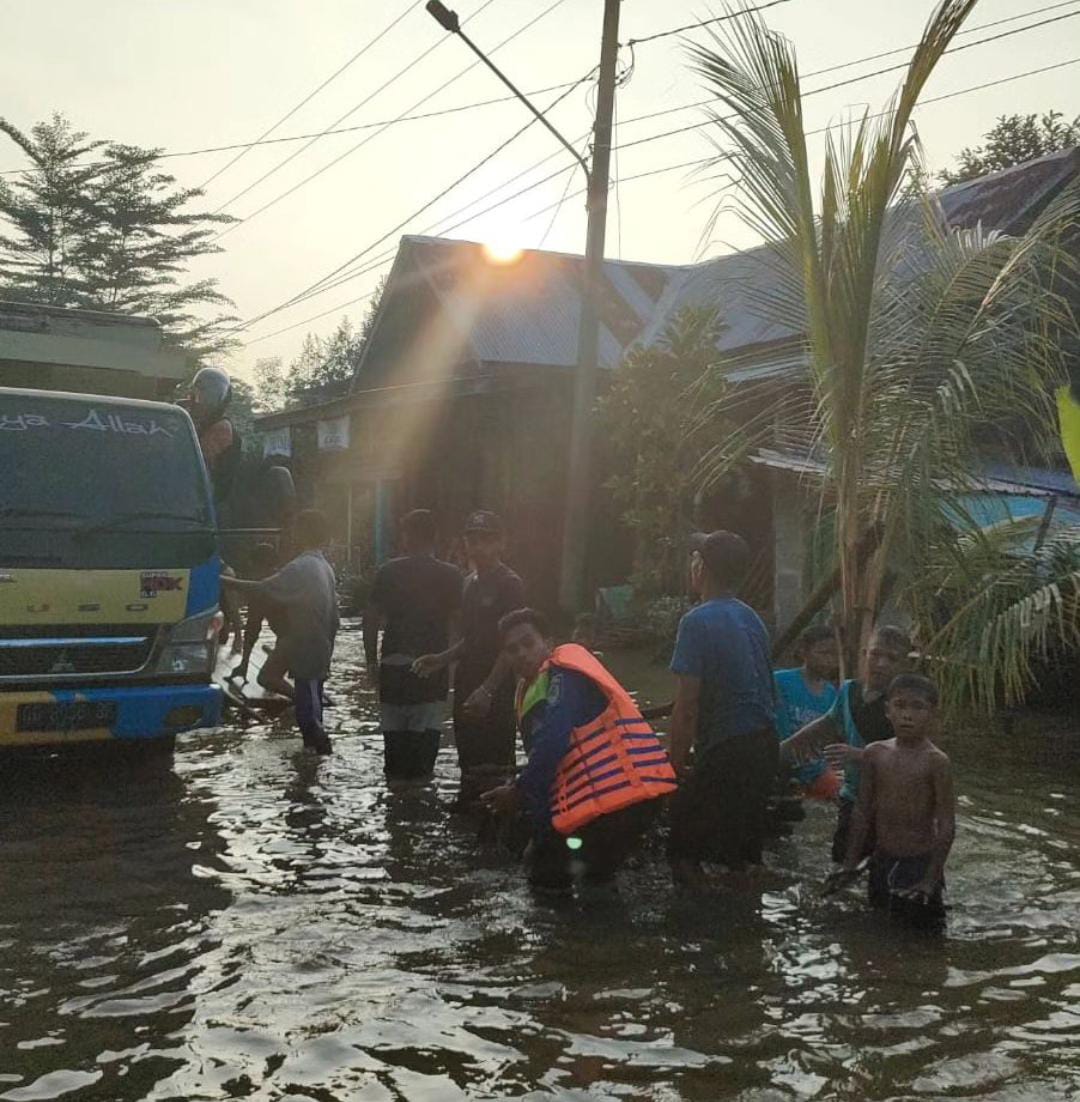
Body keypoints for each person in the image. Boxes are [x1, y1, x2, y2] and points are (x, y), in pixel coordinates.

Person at [480, 608, 677, 893]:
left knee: (547, 879)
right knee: (585, 878)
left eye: (528, 643)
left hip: (615, 801)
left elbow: (553, 743)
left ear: (547, 642)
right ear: (505, 657)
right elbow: (552, 765)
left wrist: (518, 792)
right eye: (512, 650)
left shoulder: (563, 673)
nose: (522, 653)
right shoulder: (533, 687)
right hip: (615, 800)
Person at [667, 531, 778, 886]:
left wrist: (673, 763)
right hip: (765, 743)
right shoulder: (752, 618)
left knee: (682, 851)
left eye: (694, 558)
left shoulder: (695, 622)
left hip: (730, 746)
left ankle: (701, 930)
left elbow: (687, 706)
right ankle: (745, 928)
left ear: (702, 567)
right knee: (742, 856)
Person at [827, 674, 955, 929]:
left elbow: (946, 823)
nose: (907, 715)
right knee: (876, 925)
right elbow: (862, 811)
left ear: (932, 714)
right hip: (882, 860)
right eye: (900, 705)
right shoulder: (875, 753)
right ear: (888, 711)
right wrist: (850, 863)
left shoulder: (936, 762)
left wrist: (931, 878)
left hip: (918, 862)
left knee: (923, 937)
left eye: (917, 707)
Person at [414, 511, 524, 803]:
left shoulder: (510, 584)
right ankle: (469, 804)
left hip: (497, 685)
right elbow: (470, 639)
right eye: (473, 540)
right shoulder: (469, 583)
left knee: (496, 755)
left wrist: (488, 689)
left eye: (486, 540)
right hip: (466, 679)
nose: (479, 547)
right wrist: (441, 658)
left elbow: (513, 646)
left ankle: (495, 814)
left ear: (501, 543)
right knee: (468, 751)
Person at [782, 625, 911, 864]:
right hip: (852, 798)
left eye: (891, 658)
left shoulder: (906, 705)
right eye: (876, 654)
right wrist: (781, 751)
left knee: (883, 876)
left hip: (890, 806)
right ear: (865, 654)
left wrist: (861, 755)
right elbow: (827, 723)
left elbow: (916, 759)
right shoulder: (849, 690)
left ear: (904, 665)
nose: (881, 663)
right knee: (841, 865)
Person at [222, 510, 338, 755]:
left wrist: (223, 581)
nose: (291, 533)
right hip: (319, 644)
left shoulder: (300, 567)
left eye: (296, 528)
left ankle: (317, 761)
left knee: (308, 715)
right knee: (312, 706)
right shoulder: (324, 566)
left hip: (304, 643)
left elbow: (261, 589)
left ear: (304, 532)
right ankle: (312, 769)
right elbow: (335, 619)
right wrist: (330, 649)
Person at [364, 510, 464, 779]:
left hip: (393, 667)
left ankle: (395, 812)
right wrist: (452, 665)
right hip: (432, 669)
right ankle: (418, 810)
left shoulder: (388, 572)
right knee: (424, 759)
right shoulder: (451, 575)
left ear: (407, 537)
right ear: (435, 538)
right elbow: (461, 626)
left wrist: (371, 663)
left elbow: (370, 619)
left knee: (394, 756)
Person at [774, 624, 841, 800]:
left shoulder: (832, 694)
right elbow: (778, 730)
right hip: (781, 764)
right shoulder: (781, 682)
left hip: (817, 770)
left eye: (834, 654)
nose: (829, 660)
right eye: (823, 653)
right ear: (804, 652)